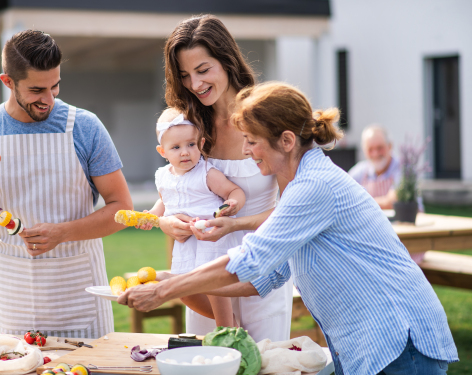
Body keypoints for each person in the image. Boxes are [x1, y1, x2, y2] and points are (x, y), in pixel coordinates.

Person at [119, 81, 458, 375]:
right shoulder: (300, 187)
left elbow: (249, 259)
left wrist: (165, 291)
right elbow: (265, 276)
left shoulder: (313, 187)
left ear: (285, 141)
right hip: (371, 344)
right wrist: (173, 282)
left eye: (252, 140)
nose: (246, 150)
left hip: (398, 342)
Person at [0, 30, 132, 338]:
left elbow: (122, 209)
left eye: (55, 85)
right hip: (17, 299)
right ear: (7, 81)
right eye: (37, 89)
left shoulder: (85, 127)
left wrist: (62, 233)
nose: (49, 99)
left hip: (80, 297)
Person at [155, 14, 293, 342]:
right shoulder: (188, 125)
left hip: (260, 270)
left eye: (203, 70)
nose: (195, 84)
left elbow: (292, 211)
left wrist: (234, 225)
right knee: (210, 360)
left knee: (264, 362)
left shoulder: (268, 118)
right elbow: (175, 187)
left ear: (227, 61)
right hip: (204, 274)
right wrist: (165, 222)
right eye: (185, 75)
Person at [141, 107, 245, 328]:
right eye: (176, 147)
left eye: (191, 144)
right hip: (186, 246)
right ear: (162, 152)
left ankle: (227, 326)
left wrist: (231, 204)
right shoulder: (162, 176)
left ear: (202, 144)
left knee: (215, 288)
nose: (185, 152)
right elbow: (164, 201)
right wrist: (151, 216)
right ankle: (226, 322)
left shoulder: (206, 173)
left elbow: (234, 191)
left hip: (210, 241)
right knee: (184, 289)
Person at [348, 125, 399, 209]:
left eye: (380, 148)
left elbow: (393, 201)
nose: (375, 154)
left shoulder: (404, 169)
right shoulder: (359, 171)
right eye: (370, 149)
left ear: (390, 146)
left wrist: (359, 203)